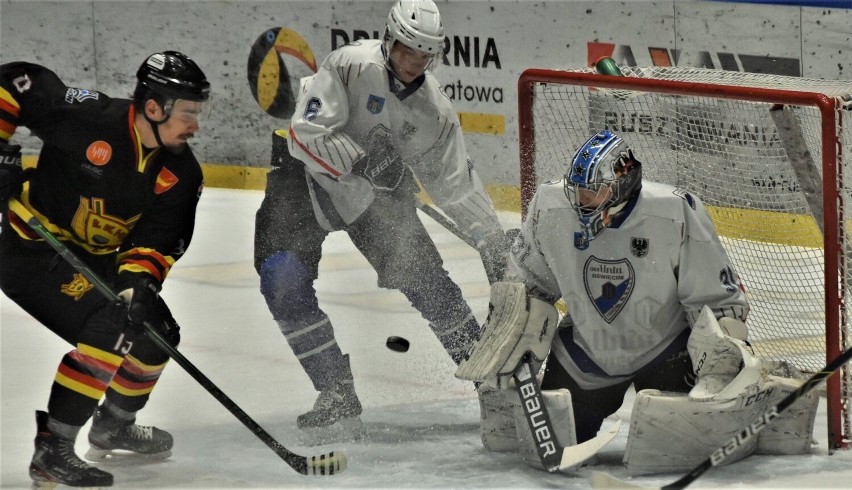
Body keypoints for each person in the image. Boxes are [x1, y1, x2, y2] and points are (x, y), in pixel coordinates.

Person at [254, 0, 512, 436]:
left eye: (424, 55)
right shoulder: (350, 64)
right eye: (406, 51)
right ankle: (335, 390)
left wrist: (489, 238)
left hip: (375, 200)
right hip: (306, 181)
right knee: (282, 279)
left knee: (430, 284)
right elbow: (306, 132)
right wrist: (363, 161)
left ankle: (493, 386)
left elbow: (456, 184)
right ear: (389, 41)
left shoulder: (436, 112)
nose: (414, 63)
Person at [458, 129, 762, 461]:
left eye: (594, 193)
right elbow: (530, 284)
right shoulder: (550, 203)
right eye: (577, 192)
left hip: (666, 352)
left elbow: (715, 300)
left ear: (623, 185)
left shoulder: (675, 210)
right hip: (587, 356)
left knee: (684, 450)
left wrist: (720, 367)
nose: (581, 202)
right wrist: (512, 333)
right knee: (535, 444)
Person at [0, 51, 210, 487]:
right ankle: (53, 450)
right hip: (27, 249)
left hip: (93, 256)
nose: (195, 125)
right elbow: (16, 82)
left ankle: (112, 424)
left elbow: (155, 240)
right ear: (154, 108)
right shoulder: (90, 117)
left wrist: (138, 284)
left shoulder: (181, 173)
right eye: (187, 112)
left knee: (156, 334)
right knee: (109, 326)